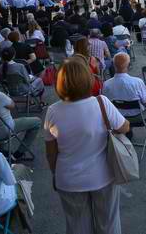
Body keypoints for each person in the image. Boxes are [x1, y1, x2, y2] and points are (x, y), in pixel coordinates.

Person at [44, 57, 130, 234]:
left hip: (68, 179)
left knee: (77, 227)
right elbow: (124, 127)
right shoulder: (101, 103)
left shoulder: (53, 111)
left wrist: (55, 173)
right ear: (87, 78)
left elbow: (51, 154)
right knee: (108, 224)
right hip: (103, 175)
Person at [102, 52, 146, 143]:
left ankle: (128, 132)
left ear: (114, 66)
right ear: (128, 66)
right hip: (138, 117)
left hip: (119, 118)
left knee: (123, 103)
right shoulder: (136, 82)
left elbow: (107, 105)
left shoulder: (106, 84)